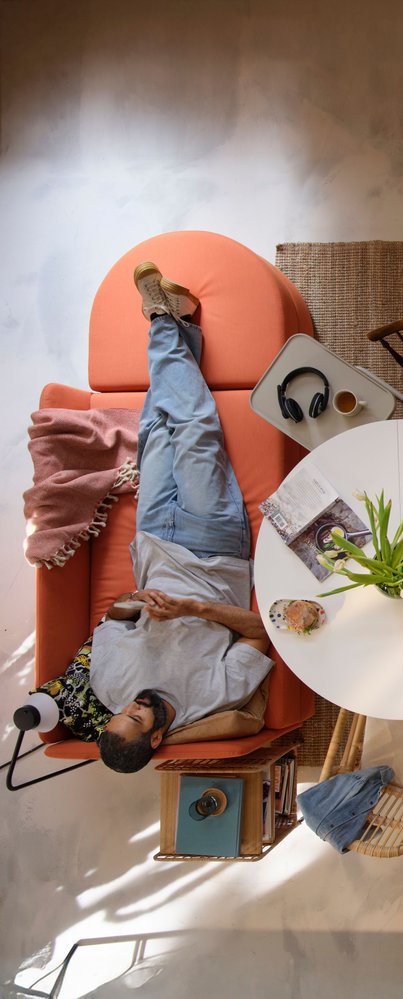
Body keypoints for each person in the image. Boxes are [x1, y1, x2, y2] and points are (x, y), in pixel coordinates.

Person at [91, 263, 274, 773]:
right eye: (138, 716)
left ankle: (177, 321)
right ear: (157, 738)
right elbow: (259, 632)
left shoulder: (109, 688)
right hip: (214, 548)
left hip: (153, 541)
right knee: (194, 429)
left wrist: (136, 600)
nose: (132, 703)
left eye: (123, 712)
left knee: (156, 427)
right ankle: (160, 317)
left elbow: (114, 620)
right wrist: (193, 607)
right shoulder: (211, 698)